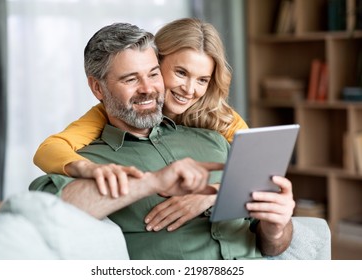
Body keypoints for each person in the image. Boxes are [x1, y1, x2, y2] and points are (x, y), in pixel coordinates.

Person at [29, 22, 295, 260]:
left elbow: (265, 217)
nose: (189, 90)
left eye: (152, 74)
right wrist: (148, 182)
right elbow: (49, 204)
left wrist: (275, 227)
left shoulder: (216, 129)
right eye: (131, 78)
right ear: (98, 88)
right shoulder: (94, 150)